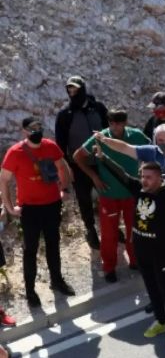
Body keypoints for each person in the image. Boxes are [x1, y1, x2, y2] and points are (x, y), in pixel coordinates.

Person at [99, 124, 165, 315]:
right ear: (155, 140)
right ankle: (159, 298)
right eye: (160, 141)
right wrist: (105, 140)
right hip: (156, 220)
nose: (164, 144)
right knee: (159, 262)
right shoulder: (150, 152)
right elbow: (124, 148)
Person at [94, 148, 165, 348]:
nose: (144, 180)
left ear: (160, 179)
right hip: (141, 249)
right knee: (151, 287)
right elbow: (121, 174)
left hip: (159, 252)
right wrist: (103, 157)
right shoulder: (138, 190)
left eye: (149, 177)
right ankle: (161, 321)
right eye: (143, 176)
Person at [1, 117, 75, 306]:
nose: (37, 131)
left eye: (39, 127)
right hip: (30, 210)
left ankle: (57, 281)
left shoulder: (50, 146)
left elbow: (62, 166)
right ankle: (30, 290)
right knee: (30, 250)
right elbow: (4, 180)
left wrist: (65, 189)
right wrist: (9, 207)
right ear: (24, 131)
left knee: (53, 244)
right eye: (32, 128)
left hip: (51, 205)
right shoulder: (15, 152)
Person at [75, 109, 150, 282]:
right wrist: (94, 176)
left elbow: (150, 151)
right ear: (108, 123)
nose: (115, 126)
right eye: (112, 123)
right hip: (109, 193)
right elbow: (77, 156)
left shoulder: (136, 135)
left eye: (119, 122)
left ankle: (135, 260)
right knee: (109, 234)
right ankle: (109, 267)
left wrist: (145, 171)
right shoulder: (99, 138)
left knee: (135, 230)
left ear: (125, 122)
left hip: (132, 193)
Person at [55, 75, 108, 250]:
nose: (72, 93)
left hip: (102, 161)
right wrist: (64, 168)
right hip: (78, 164)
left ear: (83, 89)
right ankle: (90, 229)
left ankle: (110, 226)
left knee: (107, 194)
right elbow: (60, 144)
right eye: (69, 90)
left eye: (76, 89)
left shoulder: (98, 108)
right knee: (84, 197)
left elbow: (109, 133)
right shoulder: (65, 115)